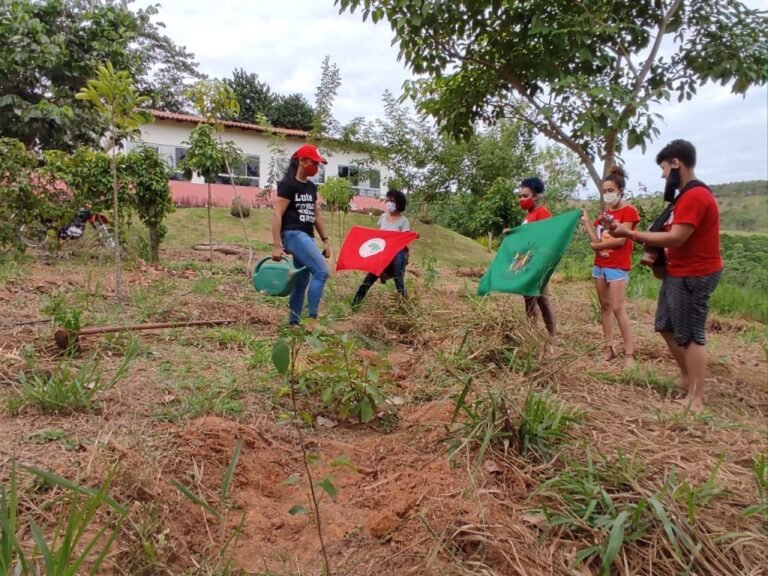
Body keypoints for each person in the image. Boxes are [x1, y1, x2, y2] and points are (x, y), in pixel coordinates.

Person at [607, 140, 722, 412]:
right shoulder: (683, 197)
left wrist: (631, 234)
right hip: (677, 271)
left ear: (675, 163)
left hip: (694, 274)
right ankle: (688, 378)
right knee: (666, 325)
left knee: (691, 334)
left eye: (662, 168)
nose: (661, 175)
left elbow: (677, 237)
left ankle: (696, 397)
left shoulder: (695, 196)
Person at [581, 166, 640, 368]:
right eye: (604, 191)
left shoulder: (629, 212)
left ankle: (630, 354)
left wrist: (598, 245)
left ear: (620, 190)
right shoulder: (604, 215)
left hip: (617, 266)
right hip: (600, 265)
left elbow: (621, 241)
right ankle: (609, 347)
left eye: (610, 191)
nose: (607, 194)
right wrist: (588, 222)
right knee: (604, 307)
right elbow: (596, 238)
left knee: (617, 308)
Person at [271, 144, 331, 326]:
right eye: (314, 163)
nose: (316, 167)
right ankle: (312, 320)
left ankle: (293, 324)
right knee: (321, 271)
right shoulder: (288, 185)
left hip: (306, 236)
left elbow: (316, 215)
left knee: (301, 282)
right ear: (302, 161)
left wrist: (326, 240)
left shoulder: (311, 187)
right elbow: (277, 213)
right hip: (293, 234)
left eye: (318, 164)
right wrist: (276, 245)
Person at [351, 188, 410, 308]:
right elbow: (379, 237)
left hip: (396, 255)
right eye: (387, 199)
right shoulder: (383, 217)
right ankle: (354, 304)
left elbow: (405, 240)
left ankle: (405, 307)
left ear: (398, 203)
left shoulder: (404, 221)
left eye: (392, 200)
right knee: (369, 278)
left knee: (399, 279)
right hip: (382, 254)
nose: (388, 202)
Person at [516, 177, 557, 337]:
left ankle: (552, 336)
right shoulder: (528, 216)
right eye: (519, 196)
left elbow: (549, 236)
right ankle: (531, 333)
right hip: (526, 262)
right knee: (528, 298)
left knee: (542, 298)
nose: (521, 199)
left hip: (538, 263)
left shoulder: (543, 213)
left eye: (525, 196)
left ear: (535, 196)